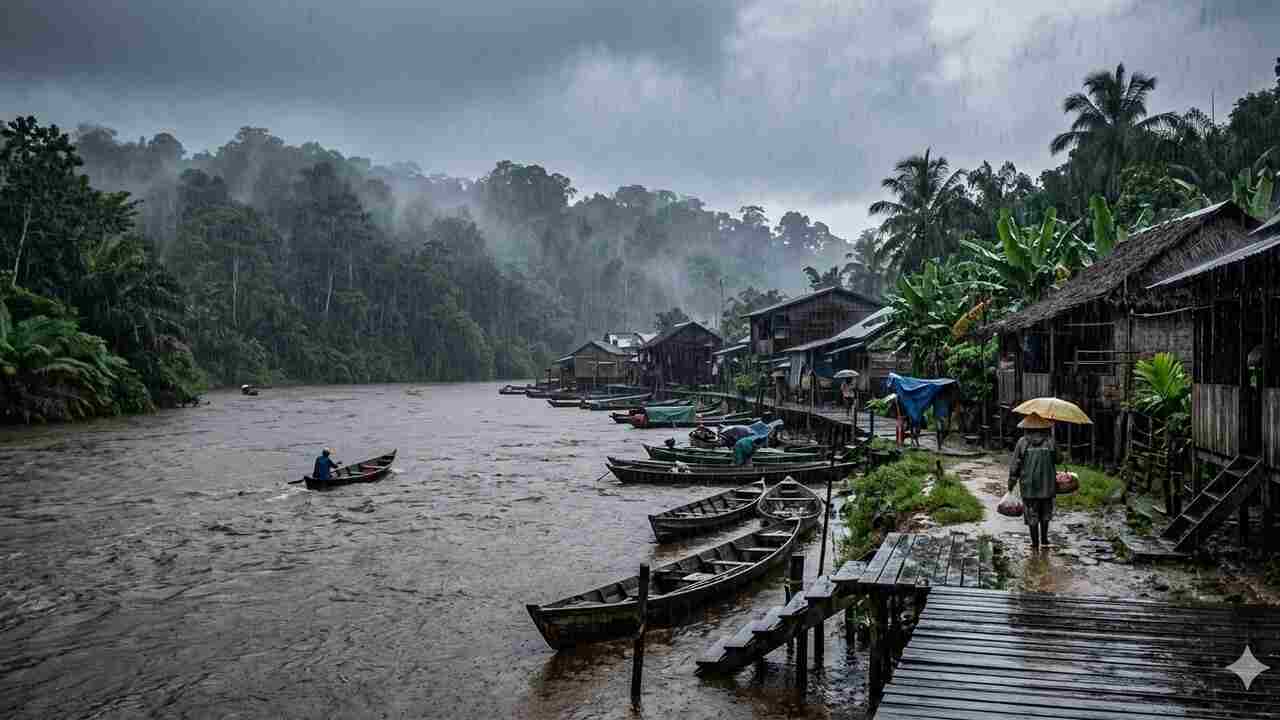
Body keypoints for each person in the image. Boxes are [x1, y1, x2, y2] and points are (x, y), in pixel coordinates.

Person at [1008, 414, 1057, 550]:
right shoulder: (1050, 441)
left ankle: (1035, 543)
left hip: (1029, 487)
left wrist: (1011, 482)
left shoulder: (1022, 442)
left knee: (1032, 514)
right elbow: (1059, 459)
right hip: (1047, 486)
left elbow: (1015, 465)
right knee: (1045, 514)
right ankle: (1045, 540)